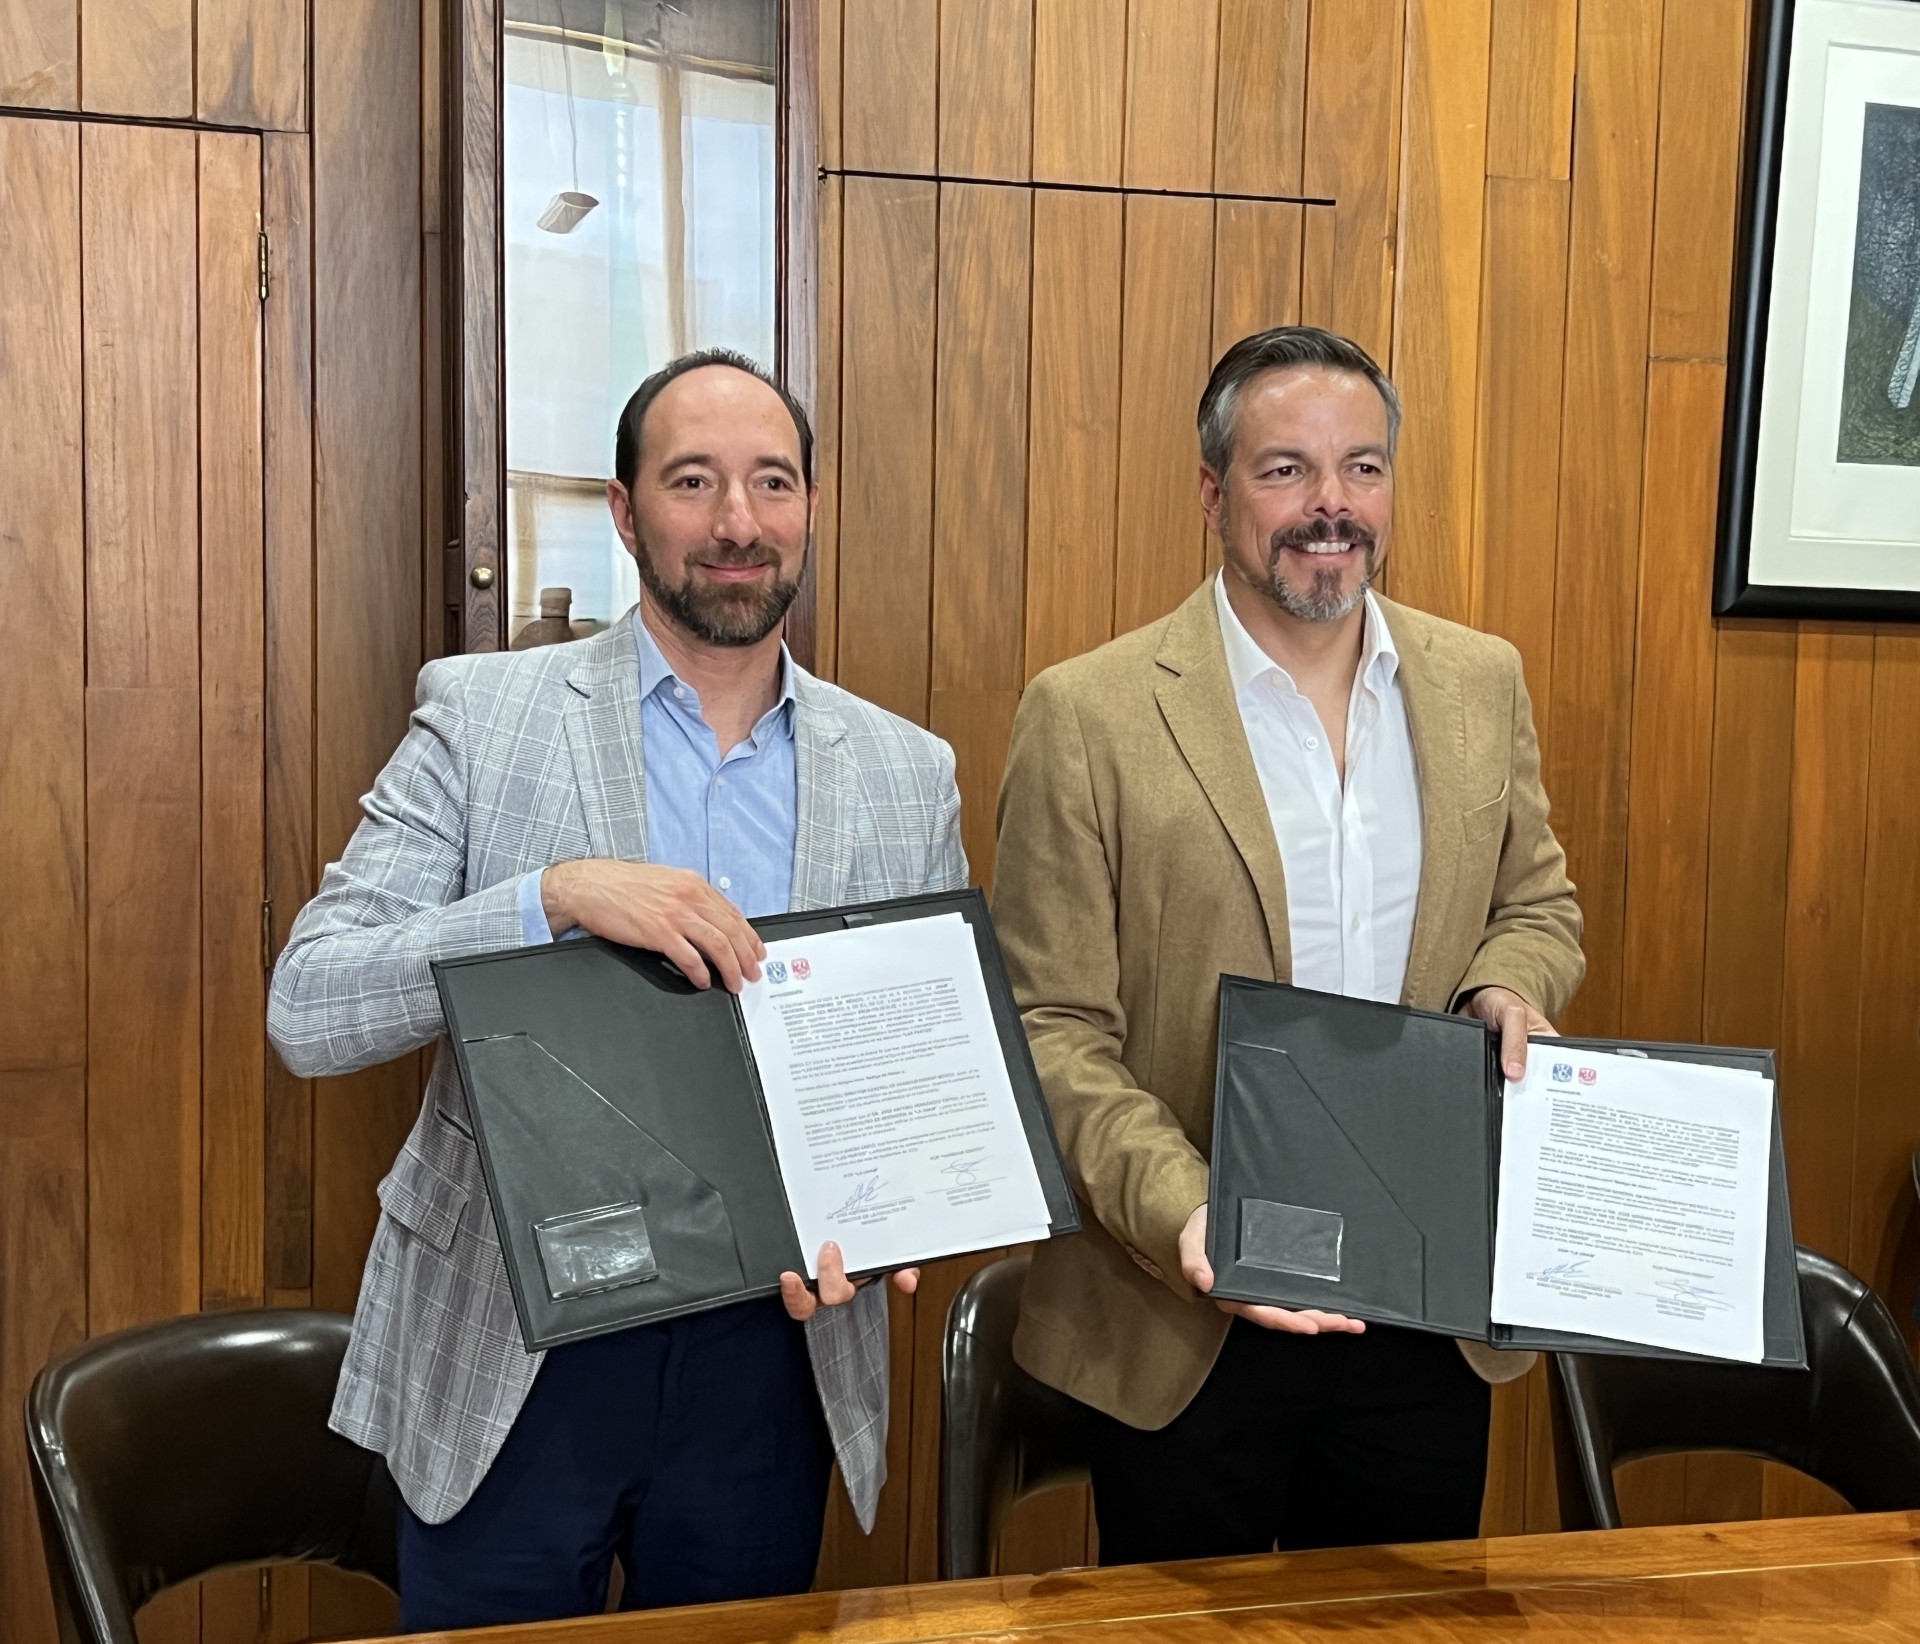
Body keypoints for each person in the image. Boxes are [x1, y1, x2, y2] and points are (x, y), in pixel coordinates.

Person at [268, 349, 964, 1627]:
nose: (738, 521)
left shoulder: (907, 773)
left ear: (811, 506)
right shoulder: (483, 717)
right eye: (693, 482)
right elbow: (310, 1008)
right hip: (519, 1344)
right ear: (626, 511)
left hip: (776, 1353)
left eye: (772, 482)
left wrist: (890, 1218)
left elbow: (915, 1072)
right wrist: (548, 899)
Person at [991, 325, 1585, 1563]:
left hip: (1425, 1308)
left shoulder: (1481, 683)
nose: (1332, 506)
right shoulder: (1087, 713)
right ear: (1215, 493)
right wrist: (1190, 1215)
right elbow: (1049, 1028)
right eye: (1287, 470)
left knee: (1399, 1633)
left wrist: (1504, 987)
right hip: (1189, 1314)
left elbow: (1537, 905)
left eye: (1362, 467)